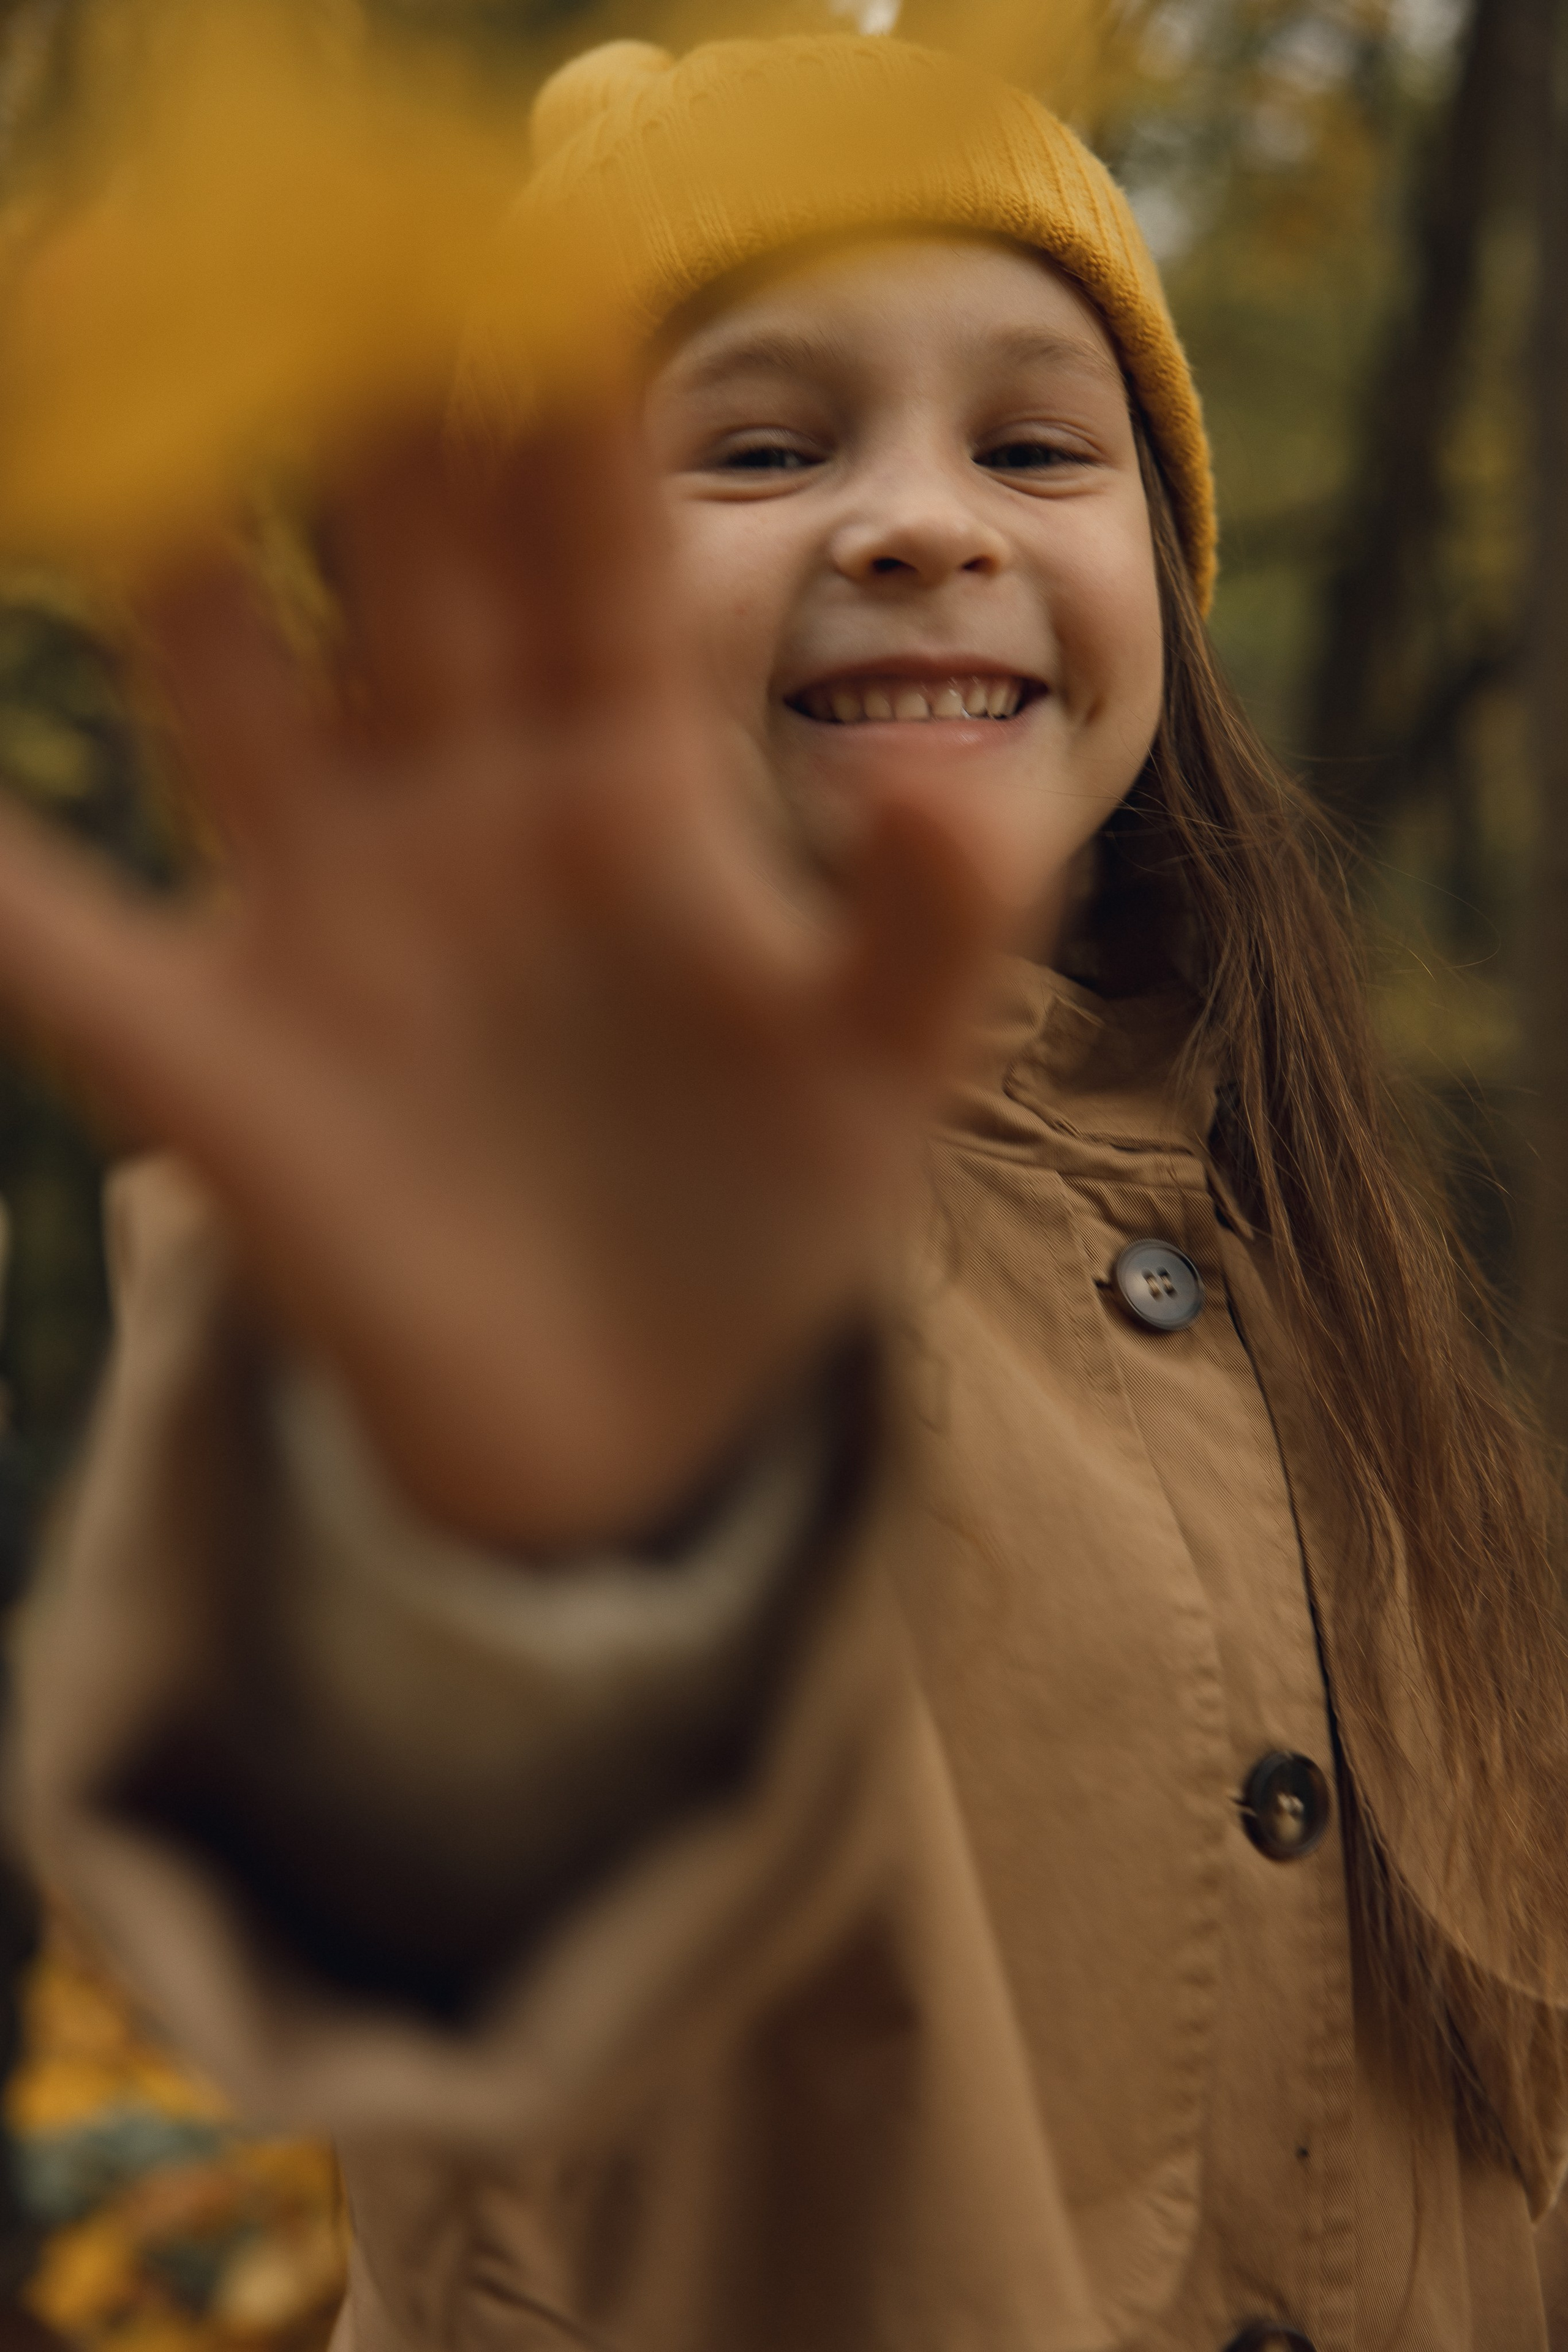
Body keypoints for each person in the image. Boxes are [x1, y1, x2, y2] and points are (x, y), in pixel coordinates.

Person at [0, 28, 1566, 2350]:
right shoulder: (565, 1244)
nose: (926, 520)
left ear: (1164, 574)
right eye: (763, 447)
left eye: (1035, 445)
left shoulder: (1342, 1290)